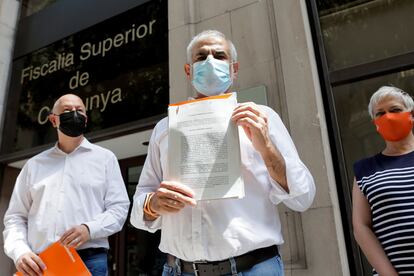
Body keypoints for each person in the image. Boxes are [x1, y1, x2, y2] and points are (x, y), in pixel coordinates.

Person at [130, 30, 315, 276]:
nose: (210, 61)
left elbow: (303, 197)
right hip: (180, 270)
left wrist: (267, 148)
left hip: (252, 268)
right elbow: (139, 205)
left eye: (219, 55)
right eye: (201, 56)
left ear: (233, 69)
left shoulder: (262, 118)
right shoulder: (164, 129)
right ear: (188, 70)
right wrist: (153, 204)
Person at [3, 94, 130, 276]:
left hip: (89, 261)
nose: (74, 114)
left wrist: (89, 229)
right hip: (39, 263)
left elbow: (119, 208)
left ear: (85, 119)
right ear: (53, 120)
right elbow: (15, 217)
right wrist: (20, 252)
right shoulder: (34, 165)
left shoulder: (105, 159)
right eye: (67, 111)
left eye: (79, 111)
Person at [352, 86, 414, 275]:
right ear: (375, 123)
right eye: (380, 113)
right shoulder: (365, 170)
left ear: (411, 114)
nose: (388, 117)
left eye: (395, 110)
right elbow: (361, 227)